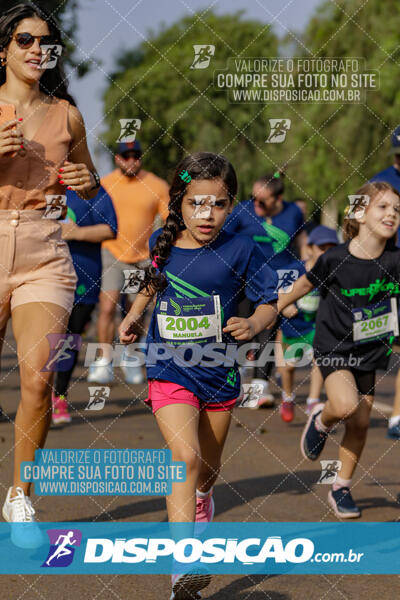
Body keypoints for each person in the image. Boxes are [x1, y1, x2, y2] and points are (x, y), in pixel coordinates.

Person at [119, 152, 278, 598]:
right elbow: (152, 282)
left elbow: (271, 299)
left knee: (205, 473)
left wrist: (255, 324)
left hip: (220, 373)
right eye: (195, 204)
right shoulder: (162, 241)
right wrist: (134, 315)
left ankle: (202, 502)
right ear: (179, 203)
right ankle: (182, 574)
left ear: (232, 205)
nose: (206, 215)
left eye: (219, 204)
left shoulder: (244, 247)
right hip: (169, 366)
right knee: (184, 460)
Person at [0, 3, 99, 543]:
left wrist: (86, 182)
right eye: (24, 39)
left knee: (38, 379)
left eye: (45, 42)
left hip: (43, 249)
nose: (37, 49)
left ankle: (20, 498)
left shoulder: (67, 114)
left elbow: (89, 181)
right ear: (3, 51)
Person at [278, 182, 400, 518]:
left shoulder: (396, 260)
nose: (391, 214)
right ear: (359, 213)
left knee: (360, 424)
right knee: (346, 405)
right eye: (383, 207)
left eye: (397, 209)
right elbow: (305, 284)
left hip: (371, 349)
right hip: (334, 345)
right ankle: (321, 420)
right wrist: (277, 306)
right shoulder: (336, 257)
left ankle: (341, 487)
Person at [87, 140, 169, 385]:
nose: (131, 160)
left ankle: (131, 359)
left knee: (138, 311)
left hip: (143, 257)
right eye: (126, 156)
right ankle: (104, 360)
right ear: (117, 159)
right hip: (112, 252)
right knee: (107, 308)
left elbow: (168, 219)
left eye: (136, 156)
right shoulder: (106, 184)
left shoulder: (156, 185)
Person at [224, 172, 306, 407]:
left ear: (278, 198)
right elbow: (225, 237)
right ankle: (233, 384)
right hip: (243, 279)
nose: (256, 203)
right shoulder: (242, 210)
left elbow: (301, 243)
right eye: (253, 198)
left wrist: (303, 270)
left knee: (268, 333)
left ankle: (258, 389)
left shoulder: (293, 212)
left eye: (263, 200)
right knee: (238, 330)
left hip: (278, 281)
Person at [51, 187, 117, 425]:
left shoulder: (93, 191)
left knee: (70, 340)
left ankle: (59, 395)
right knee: (44, 339)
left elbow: (110, 229)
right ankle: (39, 394)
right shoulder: (47, 186)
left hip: (84, 279)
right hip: (46, 277)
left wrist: (76, 232)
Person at [276, 225, 339, 423]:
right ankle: (287, 397)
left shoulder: (336, 272)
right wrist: (285, 308)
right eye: (322, 248)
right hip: (293, 325)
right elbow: (279, 294)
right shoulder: (293, 269)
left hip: (317, 325)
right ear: (310, 247)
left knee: (319, 360)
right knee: (288, 367)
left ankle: (313, 400)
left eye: (331, 248)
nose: (326, 253)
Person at [370, 127, 400, 438]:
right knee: (373, 346)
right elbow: (353, 222)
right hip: (380, 272)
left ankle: (396, 416)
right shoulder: (378, 183)